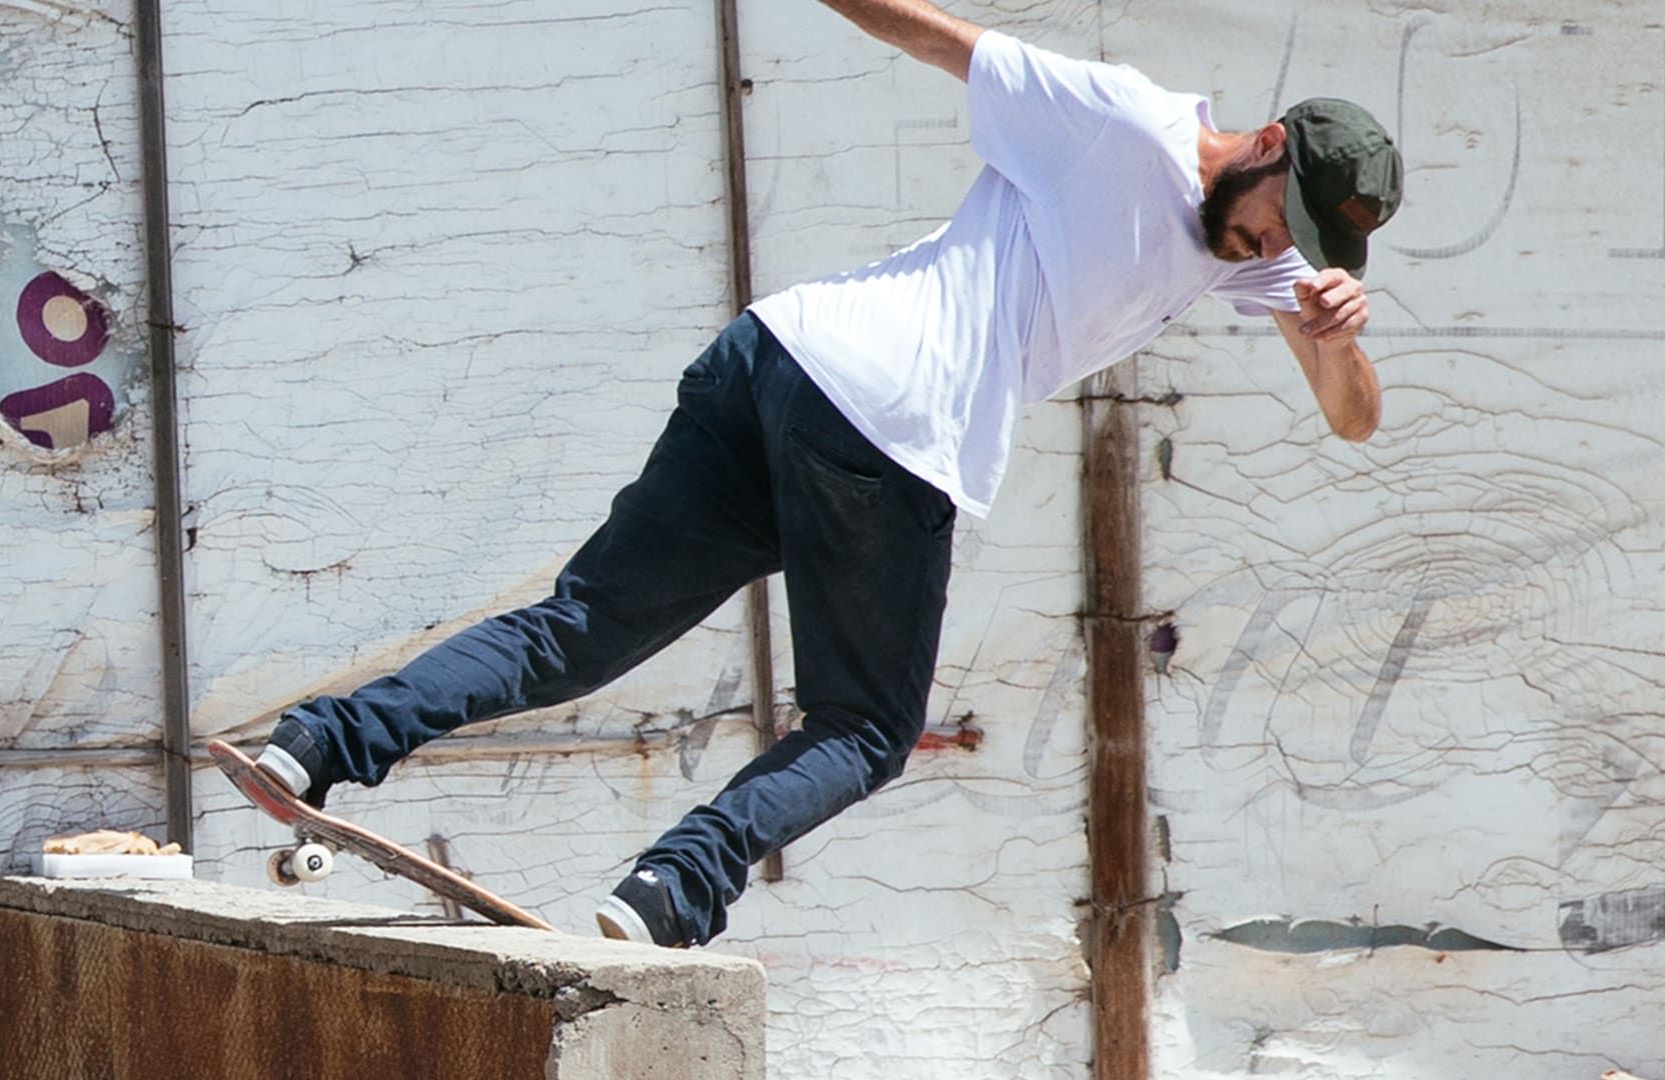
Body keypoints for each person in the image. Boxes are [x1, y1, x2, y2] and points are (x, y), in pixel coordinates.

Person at [253, 0, 1403, 947]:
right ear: (1262, 142)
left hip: (779, 364)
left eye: (1296, 242)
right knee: (864, 725)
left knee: (580, 631)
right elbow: (933, 36)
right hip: (886, 430)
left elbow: (1353, 424)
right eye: (1275, 218)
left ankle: (316, 744)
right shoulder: (1121, 122)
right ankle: (676, 886)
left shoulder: (1252, 255)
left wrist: (1336, 338)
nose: (1271, 248)